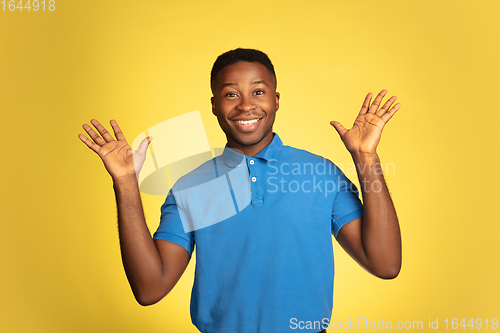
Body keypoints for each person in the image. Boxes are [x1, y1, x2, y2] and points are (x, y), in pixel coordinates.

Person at [78, 48, 402, 333]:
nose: (246, 105)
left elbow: (385, 264)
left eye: (258, 92)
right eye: (231, 94)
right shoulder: (191, 186)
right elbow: (150, 289)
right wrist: (125, 183)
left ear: (276, 101)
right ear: (215, 105)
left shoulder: (320, 173)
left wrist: (365, 156)